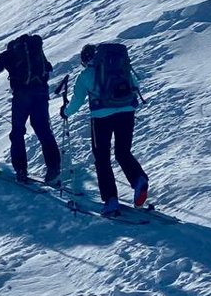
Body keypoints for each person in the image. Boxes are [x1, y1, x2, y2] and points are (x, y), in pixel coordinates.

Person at [62, 43, 148, 217]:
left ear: (85, 60)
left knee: (102, 158)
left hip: (101, 117)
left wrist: (65, 112)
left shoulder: (86, 75)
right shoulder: (120, 67)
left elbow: (77, 102)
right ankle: (139, 179)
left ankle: (111, 201)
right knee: (123, 152)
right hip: (127, 112)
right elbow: (135, 84)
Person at [0, 34, 62, 185]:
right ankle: (54, 168)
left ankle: (21, 170)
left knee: (17, 132)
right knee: (43, 130)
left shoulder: (8, 54)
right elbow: (48, 67)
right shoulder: (37, 51)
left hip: (22, 96)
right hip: (41, 93)